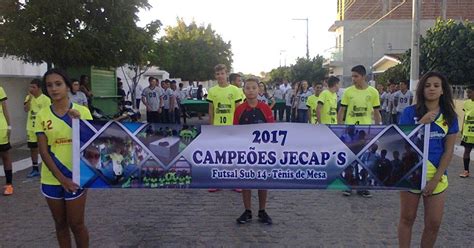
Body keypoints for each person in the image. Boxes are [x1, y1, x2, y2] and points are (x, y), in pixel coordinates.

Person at [398, 71, 458, 248]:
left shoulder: (450, 117)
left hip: (437, 177)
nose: (431, 88)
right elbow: (401, 143)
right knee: (407, 218)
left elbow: (448, 151)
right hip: (410, 173)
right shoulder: (409, 113)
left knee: (433, 224)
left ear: (442, 91)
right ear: (421, 89)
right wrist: (420, 125)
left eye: (436, 86)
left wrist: (435, 179)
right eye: (427, 85)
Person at [36, 68, 92, 247]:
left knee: (76, 224)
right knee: (60, 225)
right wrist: (62, 179)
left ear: (67, 86)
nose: (54, 89)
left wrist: (80, 123)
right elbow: (43, 151)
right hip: (52, 179)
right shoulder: (42, 115)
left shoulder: (82, 111)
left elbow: (92, 147)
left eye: (58, 84)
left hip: (77, 176)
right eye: (49, 85)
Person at [233, 77, 274, 225]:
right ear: (243, 90)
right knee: (246, 182)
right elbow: (235, 132)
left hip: (263, 152)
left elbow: (272, 131)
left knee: (263, 182)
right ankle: (247, 211)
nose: (251, 90)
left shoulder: (266, 108)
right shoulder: (239, 109)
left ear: (259, 90)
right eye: (248, 88)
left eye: (254, 88)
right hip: (245, 152)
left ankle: (262, 211)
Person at [337, 65, 381, 197]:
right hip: (351, 130)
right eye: (352, 76)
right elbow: (342, 110)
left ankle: (363, 187)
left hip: (365, 131)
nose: (353, 79)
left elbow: (377, 112)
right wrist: (340, 127)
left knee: (364, 161)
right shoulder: (348, 92)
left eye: (356, 76)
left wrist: (377, 128)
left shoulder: (373, 92)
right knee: (350, 159)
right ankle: (349, 186)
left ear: (363, 77)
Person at [206, 64, 242, 192]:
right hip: (217, 128)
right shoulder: (212, 91)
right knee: (218, 155)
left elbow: (238, 110)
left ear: (227, 74)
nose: (220, 76)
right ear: (215, 76)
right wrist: (211, 127)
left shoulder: (235, 90)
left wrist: (239, 127)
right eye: (217, 74)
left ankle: (235, 181)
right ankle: (217, 181)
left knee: (234, 154)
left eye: (222, 73)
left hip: (232, 127)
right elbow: (211, 111)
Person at [24, 79, 51, 178]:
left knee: (44, 148)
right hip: (30, 127)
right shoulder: (28, 97)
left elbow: (48, 114)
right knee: (33, 148)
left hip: (42, 128)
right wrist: (29, 99)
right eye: (30, 87)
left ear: (39, 88)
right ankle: (35, 168)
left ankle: (48, 167)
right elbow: (26, 109)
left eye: (33, 87)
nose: (31, 89)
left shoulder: (46, 99)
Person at [0, 85, 13, 195]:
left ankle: (9, 185)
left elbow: (5, 109)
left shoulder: (0, 89)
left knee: (5, 156)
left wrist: (9, 126)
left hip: (1, 128)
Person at [460, 85, 474, 178]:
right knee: (466, 151)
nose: (467, 94)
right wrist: (462, 128)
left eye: (469, 92)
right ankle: (466, 171)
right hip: (468, 132)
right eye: (467, 92)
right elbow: (465, 116)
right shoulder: (466, 103)